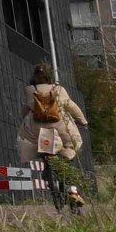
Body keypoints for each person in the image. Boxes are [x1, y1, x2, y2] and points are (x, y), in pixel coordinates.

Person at [27, 62, 93, 209]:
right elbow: (72, 107)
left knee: (47, 158)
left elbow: (25, 111)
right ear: (49, 75)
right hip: (64, 132)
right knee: (68, 157)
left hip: (44, 134)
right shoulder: (59, 90)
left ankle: (51, 182)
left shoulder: (31, 91)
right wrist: (83, 122)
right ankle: (73, 191)